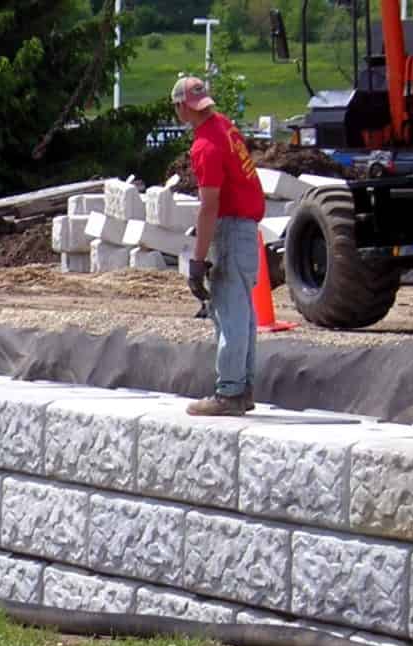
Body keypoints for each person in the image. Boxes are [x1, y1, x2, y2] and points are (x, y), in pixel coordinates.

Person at [172, 76, 266, 416]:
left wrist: (198, 260)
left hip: (231, 228)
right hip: (245, 227)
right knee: (242, 311)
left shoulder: (205, 146)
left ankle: (229, 393)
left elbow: (208, 205)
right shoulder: (224, 127)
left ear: (182, 107)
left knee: (229, 310)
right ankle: (243, 388)